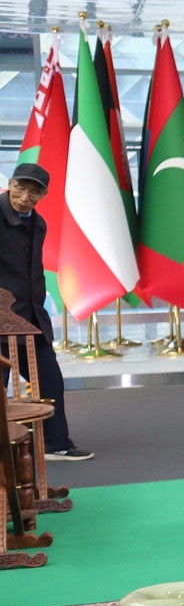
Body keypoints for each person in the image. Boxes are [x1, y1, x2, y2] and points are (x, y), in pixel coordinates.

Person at [0, 163, 88, 466]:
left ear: (43, 195)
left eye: (33, 191)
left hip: (30, 320)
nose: (24, 196)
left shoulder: (38, 223)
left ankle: (56, 444)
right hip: (0, 319)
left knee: (50, 381)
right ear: (10, 184)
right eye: (20, 188)